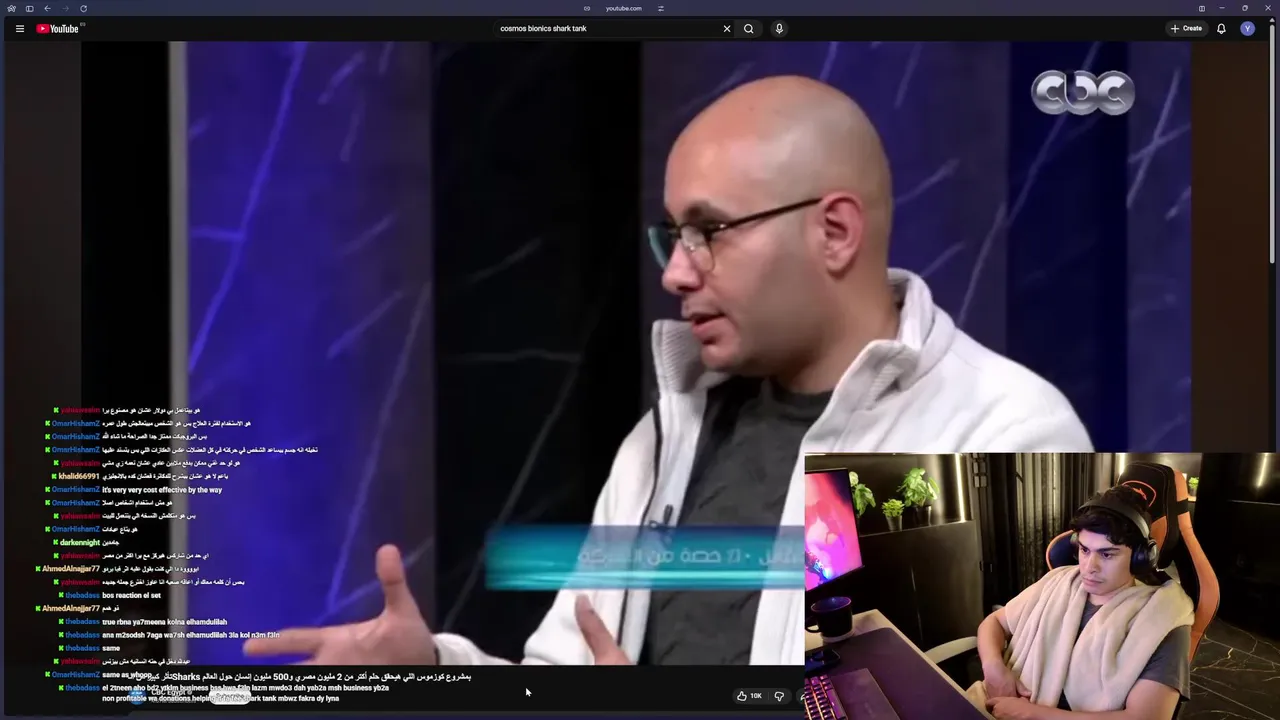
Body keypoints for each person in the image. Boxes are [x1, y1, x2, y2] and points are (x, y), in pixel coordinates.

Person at [244, 74, 1091, 668]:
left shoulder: (1005, 430)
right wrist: (432, 670)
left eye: (708, 232)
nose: (677, 273)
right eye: (672, 237)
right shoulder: (663, 441)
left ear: (834, 232)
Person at [971, 486, 1192, 720]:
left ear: (1140, 558)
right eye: (1085, 550)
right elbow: (994, 622)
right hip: (997, 706)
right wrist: (994, 669)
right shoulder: (1058, 582)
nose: (1089, 567)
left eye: (1107, 554)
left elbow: (1146, 718)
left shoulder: (1161, 619)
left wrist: (1031, 714)